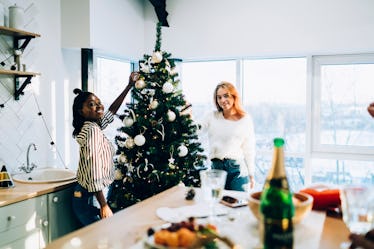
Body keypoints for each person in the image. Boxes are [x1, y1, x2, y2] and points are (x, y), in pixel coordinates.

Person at [71, 71, 139, 226]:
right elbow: (93, 169)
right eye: (91, 104)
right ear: (81, 111)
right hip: (89, 197)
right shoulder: (92, 131)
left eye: (98, 102)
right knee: (99, 239)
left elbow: (111, 112)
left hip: (88, 194)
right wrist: (103, 205)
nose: (99, 106)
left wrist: (129, 86)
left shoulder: (93, 125)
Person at [198, 81, 256, 192]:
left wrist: (251, 174)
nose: (222, 100)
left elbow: (249, 149)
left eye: (226, 96)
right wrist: (187, 115)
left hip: (238, 170)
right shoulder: (211, 116)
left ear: (234, 97)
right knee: (218, 204)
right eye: (219, 97)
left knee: (239, 205)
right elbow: (196, 130)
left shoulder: (245, 119)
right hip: (216, 169)